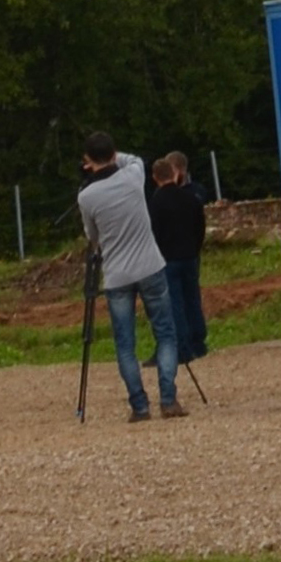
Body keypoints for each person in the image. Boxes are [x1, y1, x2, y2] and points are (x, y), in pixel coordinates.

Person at [77, 129, 184, 420]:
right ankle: (168, 398)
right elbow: (134, 159)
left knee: (125, 344)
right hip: (150, 265)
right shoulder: (133, 176)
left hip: (116, 275)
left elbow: (92, 236)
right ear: (113, 154)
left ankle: (139, 405)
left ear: (87, 160)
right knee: (165, 333)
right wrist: (113, 155)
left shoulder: (86, 196)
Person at [148, 153, 208, 364]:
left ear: (156, 177)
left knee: (175, 303)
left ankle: (182, 347)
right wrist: (195, 248)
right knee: (192, 298)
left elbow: (154, 232)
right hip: (190, 255)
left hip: (169, 258)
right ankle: (198, 341)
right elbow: (200, 226)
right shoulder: (190, 198)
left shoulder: (157, 201)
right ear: (174, 174)